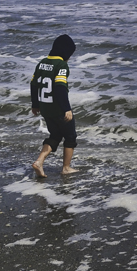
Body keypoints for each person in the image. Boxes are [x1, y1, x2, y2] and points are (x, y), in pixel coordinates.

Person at [30, 34, 80, 178]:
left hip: (45, 108)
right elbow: (59, 88)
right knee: (70, 137)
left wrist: (35, 104)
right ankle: (66, 168)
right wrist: (66, 109)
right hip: (58, 108)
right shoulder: (62, 65)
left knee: (56, 135)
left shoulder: (42, 63)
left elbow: (33, 85)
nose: (69, 57)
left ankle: (39, 161)